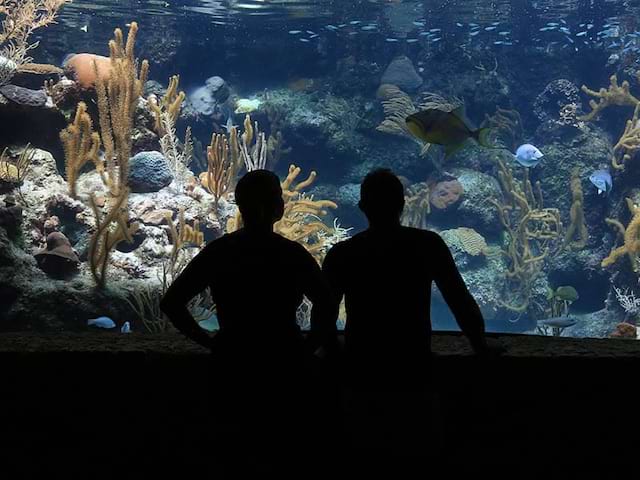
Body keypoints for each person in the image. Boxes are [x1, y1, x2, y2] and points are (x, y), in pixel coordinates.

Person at [159, 170, 337, 472]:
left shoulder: (221, 251)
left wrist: (209, 341)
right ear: (275, 207)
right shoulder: (291, 254)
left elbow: (172, 302)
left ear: (240, 206)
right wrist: (308, 348)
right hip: (285, 362)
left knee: (232, 452)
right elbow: (327, 304)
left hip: (232, 360)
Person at [322, 168, 499, 459]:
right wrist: (480, 346)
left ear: (363, 206)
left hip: (361, 373)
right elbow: (459, 301)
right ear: (404, 203)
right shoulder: (427, 245)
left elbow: (324, 315)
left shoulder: (343, 253)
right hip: (414, 371)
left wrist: (334, 354)